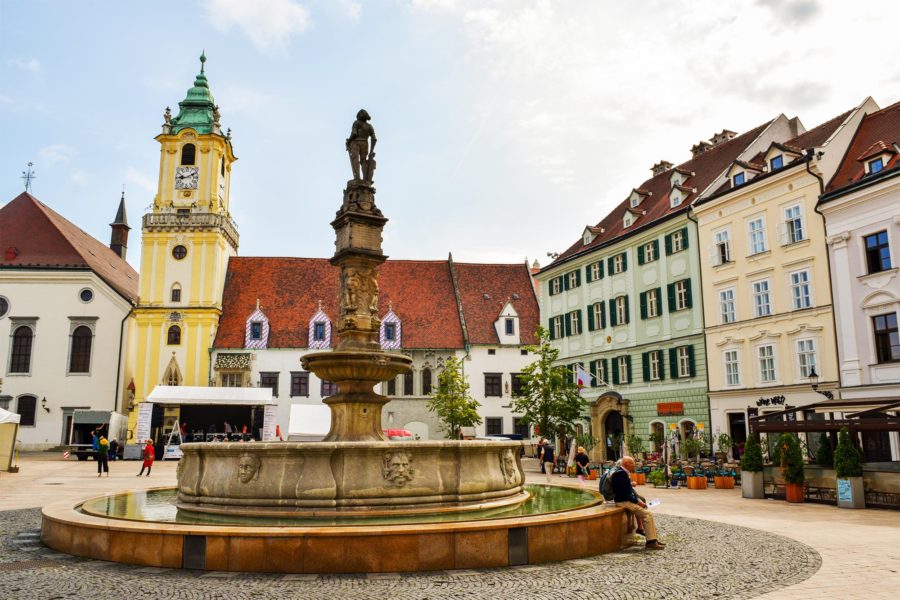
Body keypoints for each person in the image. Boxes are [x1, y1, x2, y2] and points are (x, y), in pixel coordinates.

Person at [612, 456, 664, 550]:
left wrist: (638, 501)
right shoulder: (621, 474)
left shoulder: (622, 473)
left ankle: (653, 539)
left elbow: (627, 491)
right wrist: (639, 503)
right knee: (647, 515)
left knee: (647, 514)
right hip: (623, 502)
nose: (634, 465)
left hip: (625, 500)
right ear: (626, 464)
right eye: (632, 463)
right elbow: (625, 494)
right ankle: (651, 542)